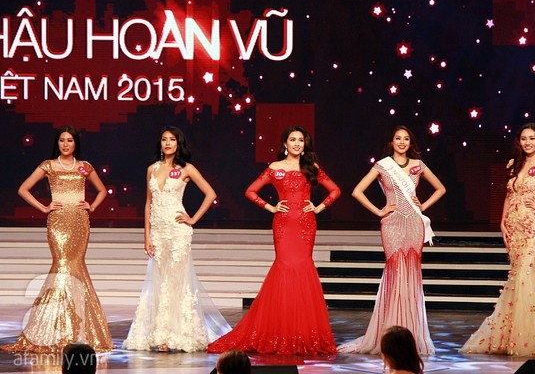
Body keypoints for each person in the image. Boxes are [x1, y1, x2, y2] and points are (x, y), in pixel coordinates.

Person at [207, 125, 341, 354]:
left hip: (305, 225)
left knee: (303, 267)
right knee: (284, 267)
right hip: (283, 224)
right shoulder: (274, 168)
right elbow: (250, 191)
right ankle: (280, 331)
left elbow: (335, 190)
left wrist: (319, 207)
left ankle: (301, 332)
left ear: (305, 144)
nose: (297, 144)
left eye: (301, 140)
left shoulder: (311, 167)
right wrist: (270, 207)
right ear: (285, 144)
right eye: (292, 139)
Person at [460, 122, 535, 357]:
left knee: (525, 273)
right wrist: (503, 221)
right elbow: (508, 195)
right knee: (517, 277)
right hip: (514, 228)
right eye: (524, 139)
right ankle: (513, 336)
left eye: (532, 138)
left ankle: (532, 338)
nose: (528, 143)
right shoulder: (514, 164)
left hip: (533, 227)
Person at [0, 125, 113, 353]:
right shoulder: (48, 165)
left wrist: (91, 206)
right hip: (58, 224)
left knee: (77, 268)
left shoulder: (84, 166)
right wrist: (44, 207)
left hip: (80, 222)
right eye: (62, 140)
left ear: (75, 143)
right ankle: (54, 330)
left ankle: (77, 329)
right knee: (61, 267)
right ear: (57, 143)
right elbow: (23, 189)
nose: (65, 144)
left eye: (69, 140)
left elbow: (102, 190)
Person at [338, 125, 445, 355]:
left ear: (410, 143)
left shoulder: (417, 165)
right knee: (395, 274)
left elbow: (440, 189)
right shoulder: (383, 165)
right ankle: (390, 332)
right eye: (398, 138)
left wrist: (423, 206)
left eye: (406, 139)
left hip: (414, 224)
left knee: (412, 275)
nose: (402, 142)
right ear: (391, 142)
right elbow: (357, 191)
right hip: (392, 224)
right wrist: (379, 211)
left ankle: (410, 332)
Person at [123, 126, 231, 352]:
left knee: (175, 282)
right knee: (159, 281)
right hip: (158, 232)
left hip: (178, 230)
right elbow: (148, 203)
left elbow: (210, 194)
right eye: (164, 139)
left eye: (172, 139)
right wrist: (146, 235)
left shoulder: (186, 168)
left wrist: (193, 219)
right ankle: (159, 334)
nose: (167, 143)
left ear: (178, 143)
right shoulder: (152, 169)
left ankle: (173, 335)